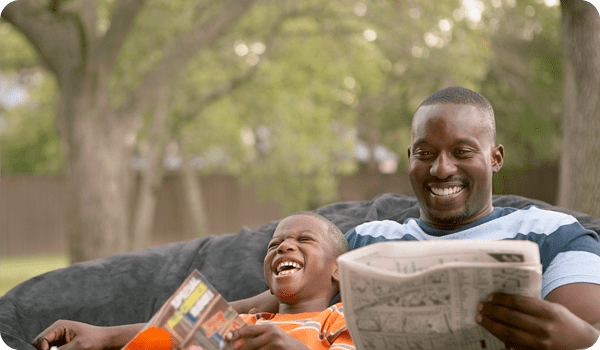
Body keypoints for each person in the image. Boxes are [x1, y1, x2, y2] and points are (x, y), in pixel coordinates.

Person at [343, 86, 600, 349]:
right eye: (425, 154)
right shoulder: (364, 239)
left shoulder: (554, 233)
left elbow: (584, 330)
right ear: (410, 158)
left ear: (495, 158)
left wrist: (587, 340)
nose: (442, 169)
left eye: (462, 152)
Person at [31, 212, 354, 350]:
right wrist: (101, 337)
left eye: (305, 239)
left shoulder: (341, 320)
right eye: (274, 245)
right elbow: (157, 339)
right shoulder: (240, 322)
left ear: (338, 269)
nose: (284, 246)